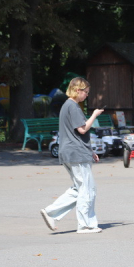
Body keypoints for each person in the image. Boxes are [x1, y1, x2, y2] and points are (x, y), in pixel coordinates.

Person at [40, 77, 105, 234]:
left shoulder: (67, 106)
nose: (87, 95)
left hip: (72, 152)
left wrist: (90, 151)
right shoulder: (73, 107)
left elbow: (74, 134)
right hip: (76, 153)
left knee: (79, 188)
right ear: (78, 90)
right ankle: (85, 225)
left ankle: (51, 212)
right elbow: (82, 130)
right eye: (86, 92)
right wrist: (94, 115)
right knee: (87, 189)